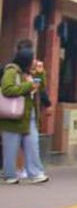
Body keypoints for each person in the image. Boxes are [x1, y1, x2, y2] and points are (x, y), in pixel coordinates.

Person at [2, 41, 49, 184]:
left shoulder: (28, 73)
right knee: (11, 148)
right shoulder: (11, 71)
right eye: (32, 59)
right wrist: (29, 85)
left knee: (33, 145)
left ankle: (35, 173)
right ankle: (10, 175)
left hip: (29, 115)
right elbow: (7, 89)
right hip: (13, 116)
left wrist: (41, 75)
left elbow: (40, 88)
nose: (34, 62)